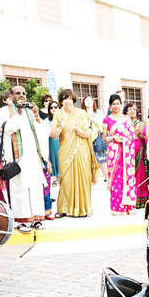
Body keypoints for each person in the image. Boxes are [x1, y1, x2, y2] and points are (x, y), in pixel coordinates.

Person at [0, 84, 49, 231]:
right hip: (17, 157)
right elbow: (7, 129)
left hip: (33, 156)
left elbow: (37, 134)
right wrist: (18, 112)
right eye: (17, 93)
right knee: (19, 189)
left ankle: (36, 218)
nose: (21, 95)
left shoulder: (30, 111)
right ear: (11, 96)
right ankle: (22, 221)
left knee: (35, 188)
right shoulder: (5, 111)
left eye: (24, 93)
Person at [55, 89, 99, 217]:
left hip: (81, 150)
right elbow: (52, 134)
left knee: (82, 179)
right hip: (65, 150)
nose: (67, 101)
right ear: (61, 101)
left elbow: (89, 133)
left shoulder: (82, 113)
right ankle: (63, 209)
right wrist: (59, 128)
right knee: (66, 179)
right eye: (64, 99)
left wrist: (77, 130)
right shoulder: (58, 114)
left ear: (73, 99)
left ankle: (82, 209)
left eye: (69, 98)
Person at [104, 94, 137, 215]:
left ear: (121, 104)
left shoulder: (127, 119)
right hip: (113, 152)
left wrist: (122, 140)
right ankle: (117, 207)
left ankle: (128, 205)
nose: (116, 106)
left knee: (126, 177)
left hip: (126, 153)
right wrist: (113, 138)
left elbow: (131, 136)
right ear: (110, 106)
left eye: (118, 103)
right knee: (115, 178)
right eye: (113, 104)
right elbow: (104, 138)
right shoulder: (107, 119)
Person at [124, 102, 149, 208]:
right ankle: (129, 198)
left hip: (139, 149)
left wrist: (140, 135)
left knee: (139, 173)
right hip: (126, 150)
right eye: (129, 109)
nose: (132, 111)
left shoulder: (140, 123)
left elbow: (145, 136)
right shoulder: (123, 123)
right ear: (126, 111)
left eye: (134, 109)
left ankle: (140, 198)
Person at [83, 95, 108, 183]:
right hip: (86, 138)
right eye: (86, 100)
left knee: (102, 159)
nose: (88, 102)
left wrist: (93, 120)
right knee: (87, 161)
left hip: (98, 137)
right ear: (84, 102)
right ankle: (88, 181)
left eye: (90, 100)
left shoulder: (99, 113)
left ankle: (108, 181)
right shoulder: (82, 113)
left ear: (93, 102)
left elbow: (102, 125)